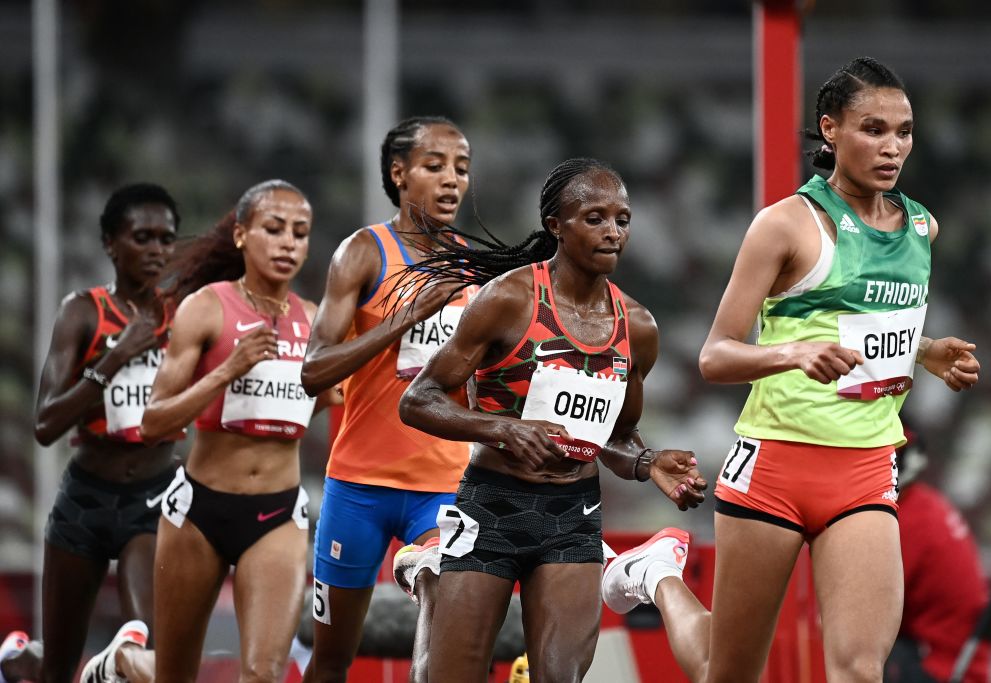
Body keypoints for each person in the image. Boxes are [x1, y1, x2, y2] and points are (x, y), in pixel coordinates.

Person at [601, 56, 981, 683]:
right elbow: (714, 355)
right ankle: (658, 576)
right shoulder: (783, 225)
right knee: (728, 672)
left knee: (859, 669)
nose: (894, 147)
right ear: (830, 129)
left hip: (863, 471)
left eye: (905, 131)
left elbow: (871, 329)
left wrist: (928, 351)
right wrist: (792, 354)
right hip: (775, 465)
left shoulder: (922, 227)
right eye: (874, 129)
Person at [398, 157, 707, 682]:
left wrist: (648, 461)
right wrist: (503, 428)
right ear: (555, 227)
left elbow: (614, 435)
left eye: (623, 220)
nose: (613, 232)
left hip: (572, 513)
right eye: (595, 218)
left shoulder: (637, 326)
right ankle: (432, 578)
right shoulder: (510, 299)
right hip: (492, 504)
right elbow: (419, 398)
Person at [80, 179, 337, 683]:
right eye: (274, 229)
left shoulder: (313, 321)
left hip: (278, 514)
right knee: (174, 674)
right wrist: (228, 370)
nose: (289, 243)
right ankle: (124, 661)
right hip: (199, 511)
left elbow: (331, 400)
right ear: (241, 235)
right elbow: (153, 422)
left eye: (300, 233)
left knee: (264, 674)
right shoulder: (207, 307)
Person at [298, 116, 476, 683]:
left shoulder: (474, 267)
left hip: (444, 485)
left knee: (446, 645)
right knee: (331, 662)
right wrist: (408, 317)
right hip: (358, 489)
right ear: (399, 174)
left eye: (462, 168)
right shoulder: (364, 253)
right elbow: (314, 369)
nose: (452, 180)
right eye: (435, 166)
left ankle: (420, 564)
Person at [28, 183, 180, 683]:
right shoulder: (83, 313)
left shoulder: (182, 316)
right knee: (55, 668)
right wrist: (115, 359)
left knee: (147, 656)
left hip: (154, 498)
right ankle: (15, 660)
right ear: (111, 244)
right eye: (142, 237)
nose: (156, 250)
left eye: (165, 238)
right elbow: (46, 423)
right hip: (86, 500)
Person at [885, 427, 991, 683]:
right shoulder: (925, 507)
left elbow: (874, 608)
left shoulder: (906, 520)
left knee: (851, 648)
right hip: (957, 661)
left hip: (936, 666)